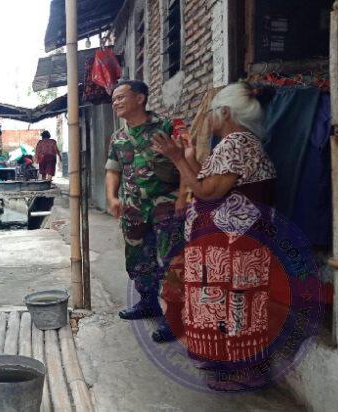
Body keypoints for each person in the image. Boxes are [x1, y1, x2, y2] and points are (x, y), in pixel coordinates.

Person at [153, 82, 279, 390]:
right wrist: (187, 157)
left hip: (234, 244)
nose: (209, 118)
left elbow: (207, 191)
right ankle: (224, 361)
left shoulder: (235, 143)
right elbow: (207, 179)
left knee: (238, 305)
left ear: (224, 113)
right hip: (230, 242)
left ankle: (246, 372)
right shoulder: (239, 143)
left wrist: (176, 158)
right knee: (226, 303)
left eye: (211, 112)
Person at [104, 79, 187, 343]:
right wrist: (112, 198)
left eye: (121, 97)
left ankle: (174, 318)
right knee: (138, 259)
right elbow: (112, 170)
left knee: (172, 261)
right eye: (114, 99)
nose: (116, 102)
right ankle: (147, 303)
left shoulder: (166, 127)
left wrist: (183, 196)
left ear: (140, 98)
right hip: (133, 210)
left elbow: (186, 160)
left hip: (166, 208)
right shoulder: (119, 137)